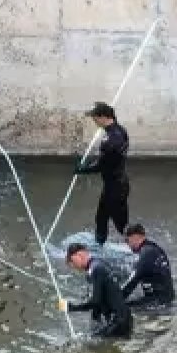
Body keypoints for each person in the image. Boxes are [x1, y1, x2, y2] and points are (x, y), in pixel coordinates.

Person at [74, 102, 130, 246]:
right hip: (114, 184)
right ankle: (99, 246)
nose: (93, 120)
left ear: (104, 117)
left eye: (95, 117)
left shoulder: (110, 140)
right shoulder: (120, 130)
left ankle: (138, 249)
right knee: (101, 217)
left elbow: (101, 166)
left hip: (116, 188)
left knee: (121, 224)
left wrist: (82, 169)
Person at [58, 243, 133, 338]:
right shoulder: (97, 265)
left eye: (72, 261)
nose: (74, 267)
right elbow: (100, 300)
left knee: (88, 345)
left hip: (118, 322)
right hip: (122, 318)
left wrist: (71, 307)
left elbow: (95, 301)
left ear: (79, 255)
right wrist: (95, 323)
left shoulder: (96, 269)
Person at [121, 224, 175, 308]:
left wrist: (117, 298)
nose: (127, 244)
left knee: (121, 308)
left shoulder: (146, 253)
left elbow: (134, 280)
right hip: (164, 299)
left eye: (127, 240)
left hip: (158, 302)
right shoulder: (155, 249)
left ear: (135, 237)